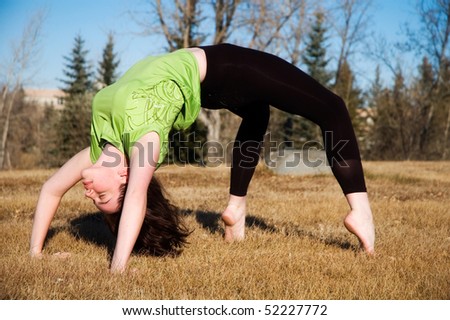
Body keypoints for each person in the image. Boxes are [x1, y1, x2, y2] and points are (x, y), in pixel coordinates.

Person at [30, 43, 375, 273]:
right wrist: (116, 271)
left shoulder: (99, 145)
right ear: (124, 177)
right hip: (223, 69)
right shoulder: (145, 140)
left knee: (256, 114)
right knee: (333, 109)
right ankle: (361, 212)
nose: (89, 193)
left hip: (205, 83)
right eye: (101, 198)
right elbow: (135, 197)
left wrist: (36, 255)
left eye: (95, 198)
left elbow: (50, 190)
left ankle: (235, 210)